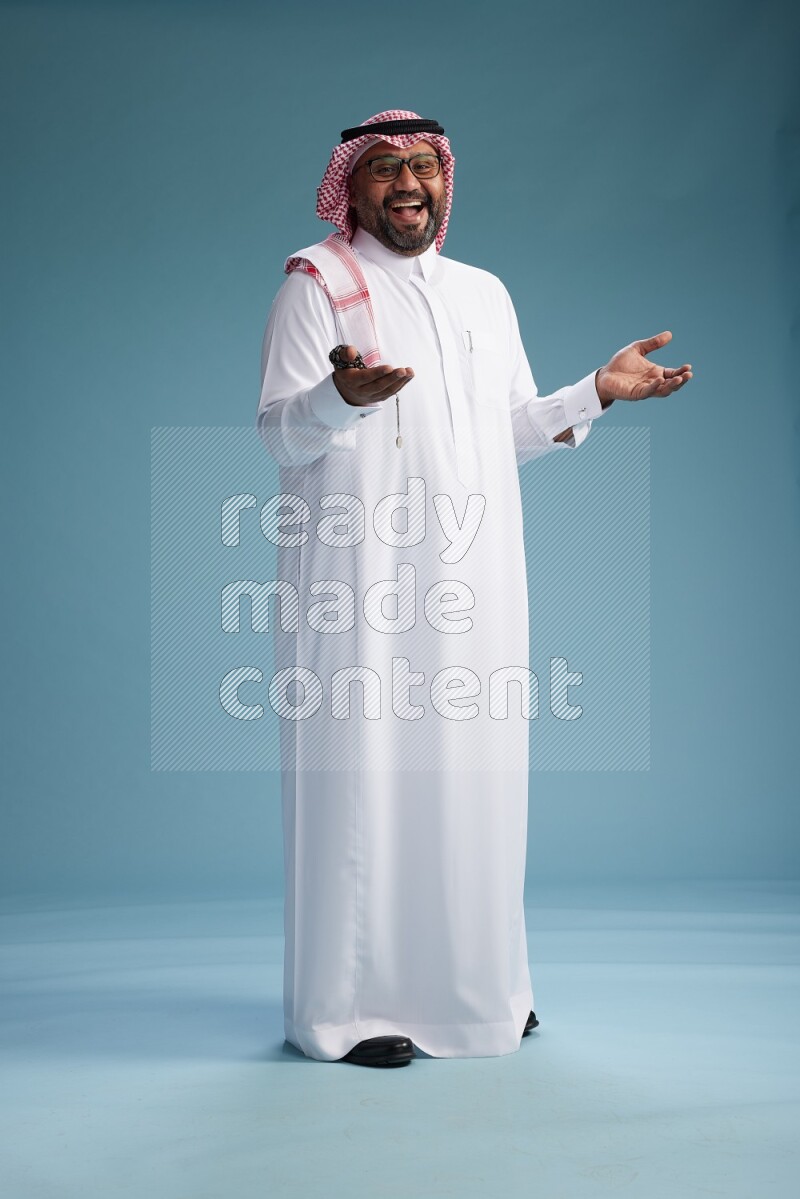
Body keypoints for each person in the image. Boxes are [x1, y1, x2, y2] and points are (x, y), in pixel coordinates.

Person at [255, 110, 692, 1069]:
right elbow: (282, 436)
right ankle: (348, 1006)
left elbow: (512, 430)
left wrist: (597, 393)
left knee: (475, 778)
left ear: (446, 179)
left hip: (476, 575)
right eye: (382, 169)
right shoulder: (316, 284)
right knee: (365, 783)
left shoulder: (485, 293)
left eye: (423, 166)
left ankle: (480, 988)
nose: (407, 184)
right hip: (360, 582)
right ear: (350, 186)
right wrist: (339, 399)